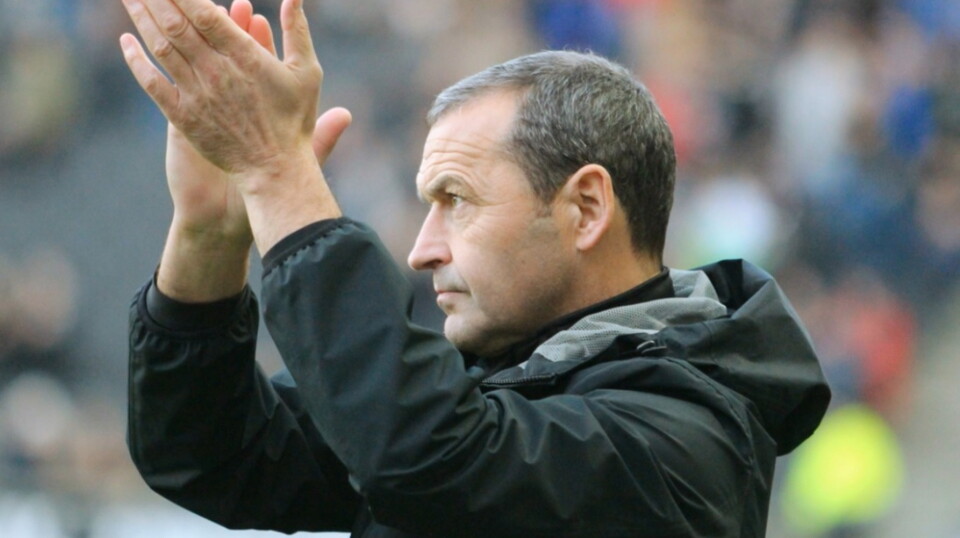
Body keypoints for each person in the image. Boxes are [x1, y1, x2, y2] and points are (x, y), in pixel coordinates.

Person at [120, 0, 831, 536]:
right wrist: (211, 235)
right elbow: (209, 454)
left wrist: (279, 174)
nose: (421, 249)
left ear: (586, 209)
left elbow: (427, 455)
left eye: (455, 200)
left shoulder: (684, 444)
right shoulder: (488, 383)